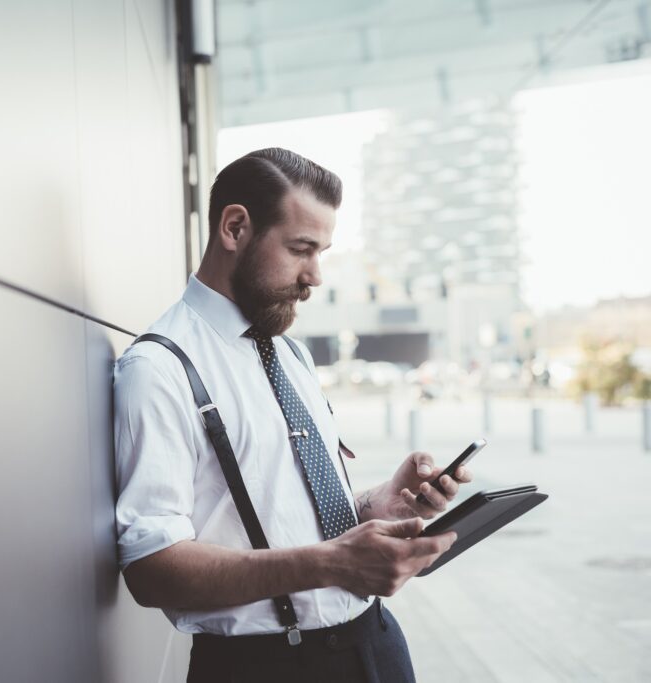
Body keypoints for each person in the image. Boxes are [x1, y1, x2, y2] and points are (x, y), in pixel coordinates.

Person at [113, 148, 472, 682]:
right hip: (262, 667)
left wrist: (379, 503)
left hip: (374, 644)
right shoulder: (159, 368)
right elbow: (151, 570)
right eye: (301, 249)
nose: (316, 276)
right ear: (234, 228)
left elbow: (286, 509)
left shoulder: (290, 354)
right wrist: (331, 561)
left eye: (321, 251)